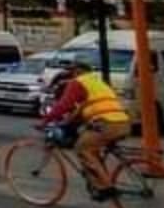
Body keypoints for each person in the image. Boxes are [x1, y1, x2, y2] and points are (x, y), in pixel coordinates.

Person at [40, 61, 132, 199]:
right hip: (123, 123)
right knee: (92, 146)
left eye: (71, 72)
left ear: (78, 72)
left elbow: (63, 105)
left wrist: (45, 121)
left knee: (82, 148)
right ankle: (100, 179)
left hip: (107, 125)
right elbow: (80, 111)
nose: (70, 76)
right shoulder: (98, 84)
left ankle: (105, 187)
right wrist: (66, 122)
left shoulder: (78, 82)